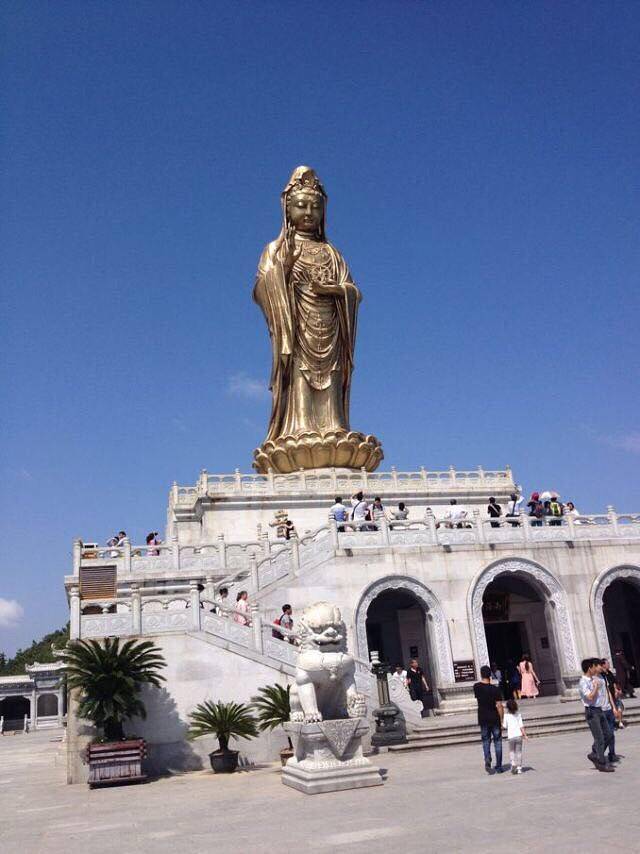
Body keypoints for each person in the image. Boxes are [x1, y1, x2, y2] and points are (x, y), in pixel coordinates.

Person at [579, 658, 614, 772]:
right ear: (590, 668)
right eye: (594, 666)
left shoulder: (594, 679)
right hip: (591, 712)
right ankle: (601, 763)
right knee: (599, 738)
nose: (596, 669)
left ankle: (595, 753)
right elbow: (589, 697)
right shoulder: (583, 682)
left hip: (599, 710)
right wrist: (595, 687)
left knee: (608, 734)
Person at [474, 664, 504, 773]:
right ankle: (499, 766)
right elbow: (499, 706)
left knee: (486, 740)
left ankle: (487, 759)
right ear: (490, 675)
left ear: (481, 675)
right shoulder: (495, 689)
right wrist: (501, 720)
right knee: (498, 741)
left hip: (483, 718)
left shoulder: (476, 687)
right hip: (494, 718)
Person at [599, 658, 622, 762]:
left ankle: (612, 754)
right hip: (600, 711)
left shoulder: (605, 677)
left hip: (609, 708)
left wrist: (614, 708)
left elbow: (608, 692)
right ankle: (597, 753)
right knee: (605, 735)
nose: (607, 666)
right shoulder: (592, 680)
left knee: (611, 734)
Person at [503, 698, 528, 774]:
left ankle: (513, 764)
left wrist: (501, 723)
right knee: (519, 752)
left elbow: (505, 726)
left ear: (507, 707)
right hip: (519, 736)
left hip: (511, 736)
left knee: (512, 751)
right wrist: (525, 735)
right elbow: (521, 726)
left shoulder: (506, 715)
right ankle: (520, 768)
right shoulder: (518, 715)